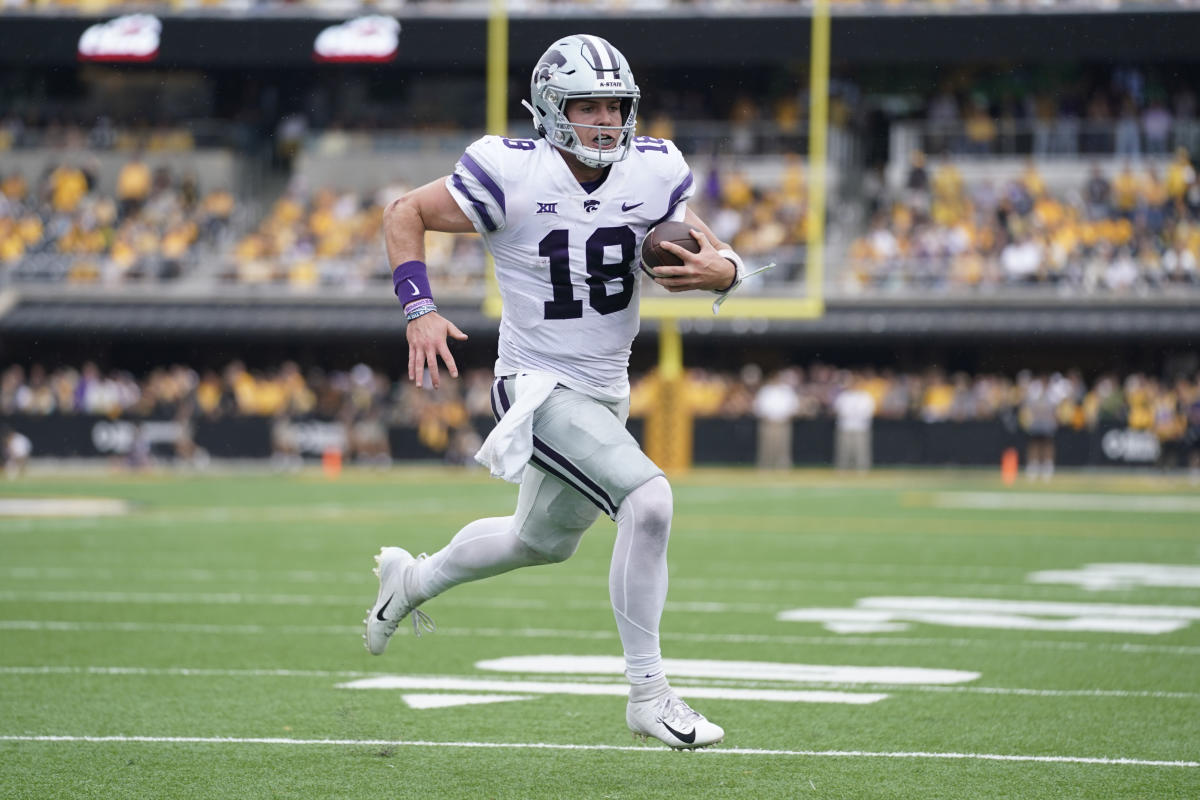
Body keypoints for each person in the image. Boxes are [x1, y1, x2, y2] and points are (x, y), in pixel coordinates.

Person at [365, 34, 749, 750]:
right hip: (536, 388)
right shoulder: (509, 171)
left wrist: (726, 272)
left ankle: (409, 582)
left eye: (616, 105)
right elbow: (402, 214)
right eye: (587, 105)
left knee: (537, 542)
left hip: (606, 389)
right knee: (650, 501)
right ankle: (649, 694)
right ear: (548, 108)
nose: (605, 119)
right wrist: (418, 309)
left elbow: (709, 247)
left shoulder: (655, 168)